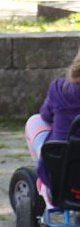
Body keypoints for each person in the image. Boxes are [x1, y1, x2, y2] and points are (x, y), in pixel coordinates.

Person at [23, 47, 80, 206]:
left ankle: (46, 185)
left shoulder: (60, 88)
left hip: (64, 172)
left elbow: (45, 115)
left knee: (35, 122)